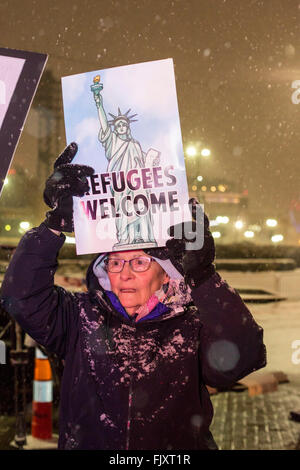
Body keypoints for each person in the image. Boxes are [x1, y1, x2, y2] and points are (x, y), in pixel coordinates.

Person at [0, 143, 266, 450]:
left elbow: (244, 357)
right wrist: (53, 227)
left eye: (139, 262)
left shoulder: (190, 325)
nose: (124, 274)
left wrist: (204, 278)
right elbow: (20, 297)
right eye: (114, 262)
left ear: (167, 272)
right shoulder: (81, 317)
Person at [92, 87, 158, 248]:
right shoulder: (112, 141)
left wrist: (153, 160)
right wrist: (99, 104)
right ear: (115, 128)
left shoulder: (135, 144)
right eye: (118, 125)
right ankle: (124, 238)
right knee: (123, 211)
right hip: (120, 184)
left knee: (140, 209)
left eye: (124, 125)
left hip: (137, 184)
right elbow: (104, 125)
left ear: (128, 127)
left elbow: (144, 161)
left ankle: (139, 237)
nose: (121, 127)